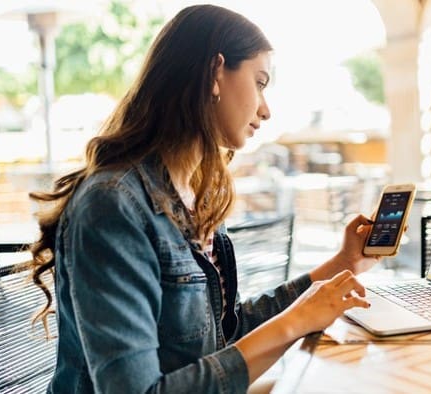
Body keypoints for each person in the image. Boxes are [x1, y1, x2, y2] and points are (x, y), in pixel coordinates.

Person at [27, 4, 380, 393]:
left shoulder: (194, 195)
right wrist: (296, 322)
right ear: (216, 72)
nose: (266, 109)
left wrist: (344, 264)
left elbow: (226, 333)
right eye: (260, 82)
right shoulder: (113, 205)